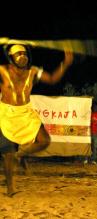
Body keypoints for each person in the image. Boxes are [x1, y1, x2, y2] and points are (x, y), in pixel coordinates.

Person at [0, 44, 73, 196]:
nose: (23, 56)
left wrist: (66, 63)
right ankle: (10, 188)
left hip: (25, 112)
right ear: (11, 57)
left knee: (45, 140)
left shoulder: (32, 72)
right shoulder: (2, 70)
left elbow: (52, 79)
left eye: (24, 53)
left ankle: (21, 155)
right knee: (7, 152)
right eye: (18, 54)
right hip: (6, 114)